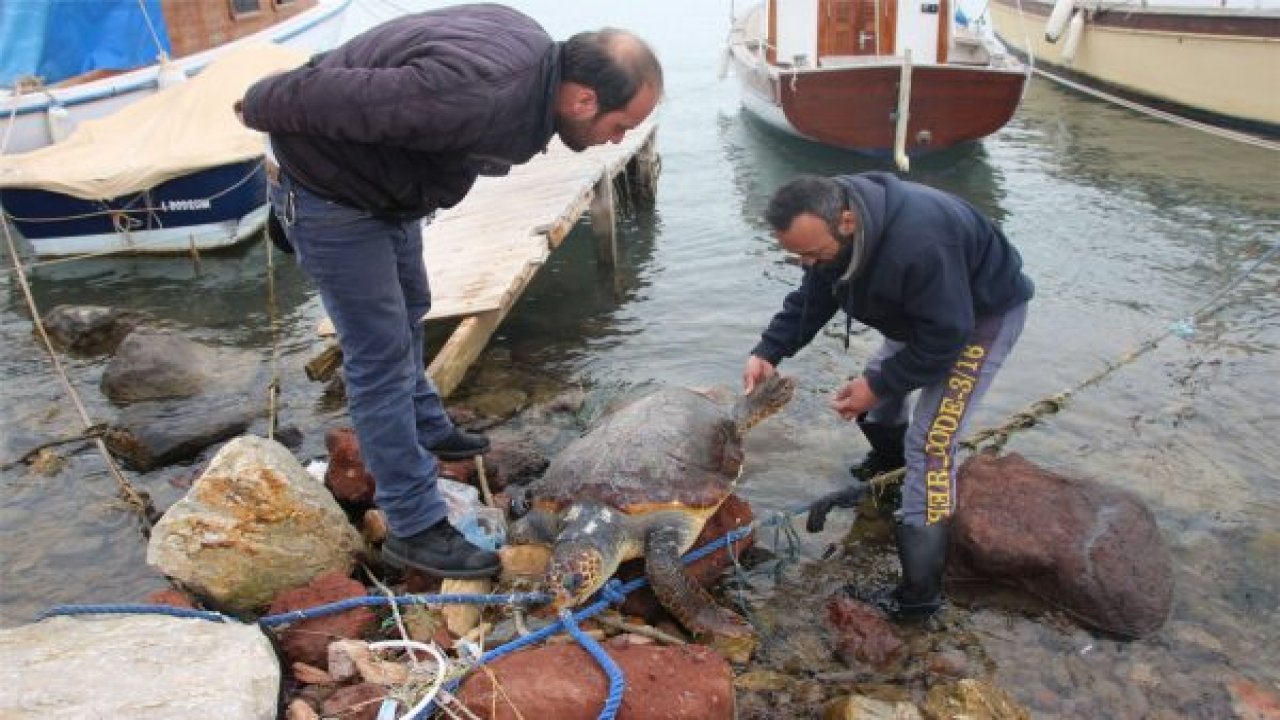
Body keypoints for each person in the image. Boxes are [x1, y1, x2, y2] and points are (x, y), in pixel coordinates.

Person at [238, 4, 662, 579]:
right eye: (621, 126)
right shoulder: (480, 93)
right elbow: (323, 92)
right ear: (584, 98)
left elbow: (386, 53)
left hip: (388, 194)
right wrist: (261, 100)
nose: (620, 139)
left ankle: (426, 424)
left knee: (411, 307)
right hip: (335, 199)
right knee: (379, 357)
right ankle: (414, 526)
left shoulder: (529, 54)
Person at [743, 173, 1033, 620]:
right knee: (879, 407)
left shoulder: (920, 242)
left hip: (977, 317)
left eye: (813, 253)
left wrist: (877, 386)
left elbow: (948, 334)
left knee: (931, 442)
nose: (807, 264)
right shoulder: (829, 240)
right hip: (920, 315)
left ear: (848, 221)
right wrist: (769, 350)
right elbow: (815, 295)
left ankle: (919, 598)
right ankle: (891, 476)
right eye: (798, 256)